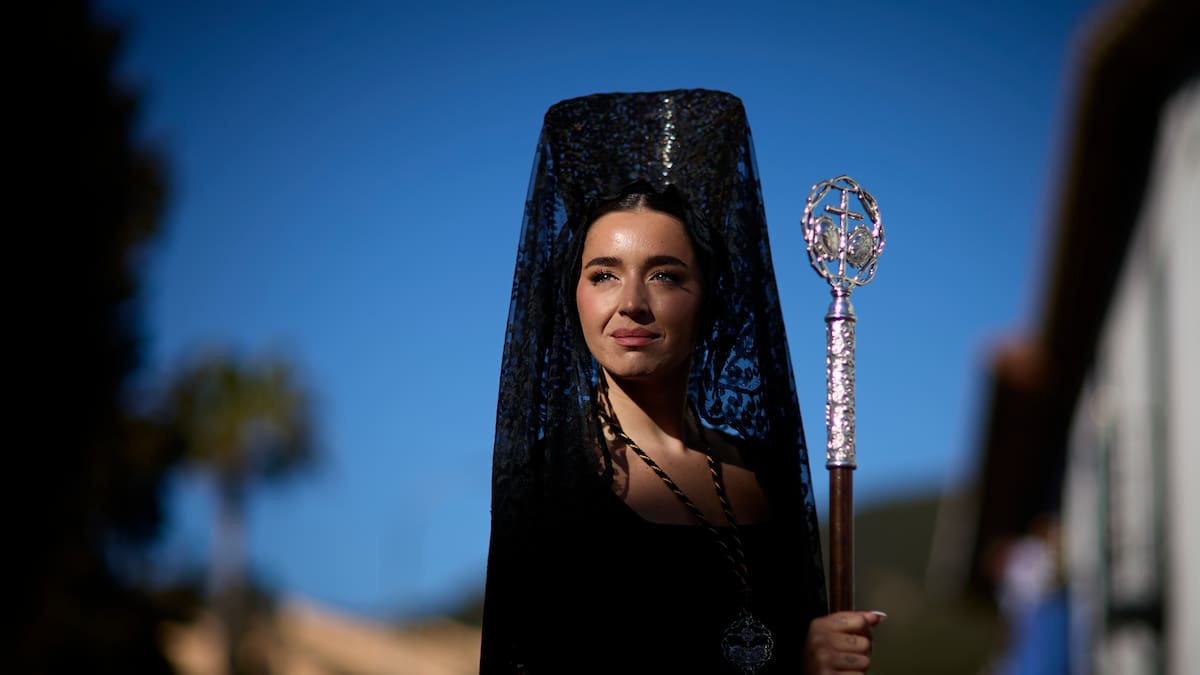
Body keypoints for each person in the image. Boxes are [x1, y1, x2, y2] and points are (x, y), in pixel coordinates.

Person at [480, 89, 885, 674]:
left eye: (665, 276)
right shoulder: (549, 485)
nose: (632, 304)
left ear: (710, 302)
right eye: (603, 275)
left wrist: (814, 657)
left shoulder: (761, 472)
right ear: (573, 298)